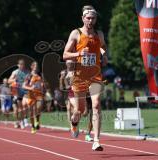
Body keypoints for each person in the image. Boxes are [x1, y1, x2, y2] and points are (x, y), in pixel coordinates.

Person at [63, 5, 108, 151]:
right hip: (79, 76)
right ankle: (74, 123)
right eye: (88, 18)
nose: (90, 20)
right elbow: (65, 55)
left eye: (93, 18)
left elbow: (103, 46)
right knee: (80, 110)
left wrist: (104, 55)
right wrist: (79, 54)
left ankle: (96, 140)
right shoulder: (76, 34)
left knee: (96, 105)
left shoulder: (99, 34)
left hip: (95, 75)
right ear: (83, 18)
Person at [23, 61, 44, 133]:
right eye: (35, 66)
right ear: (31, 67)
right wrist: (31, 88)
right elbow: (23, 86)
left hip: (39, 95)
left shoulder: (39, 75)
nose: (36, 67)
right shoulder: (28, 76)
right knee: (31, 112)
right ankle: (33, 126)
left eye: (37, 66)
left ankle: (37, 121)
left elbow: (42, 84)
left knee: (38, 108)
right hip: (31, 95)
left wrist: (42, 87)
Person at [8, 59, 29, 128]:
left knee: (25, 105)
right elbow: (9, 81)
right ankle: (19, 120)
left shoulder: (27, 72)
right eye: (20, 64)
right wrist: (15, 80)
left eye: (23, 64)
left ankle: (25, 119)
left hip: (24, 92)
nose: (22, 66)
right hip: (16, 92)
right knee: (17, 109)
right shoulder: (15, 72)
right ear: (18, 65)